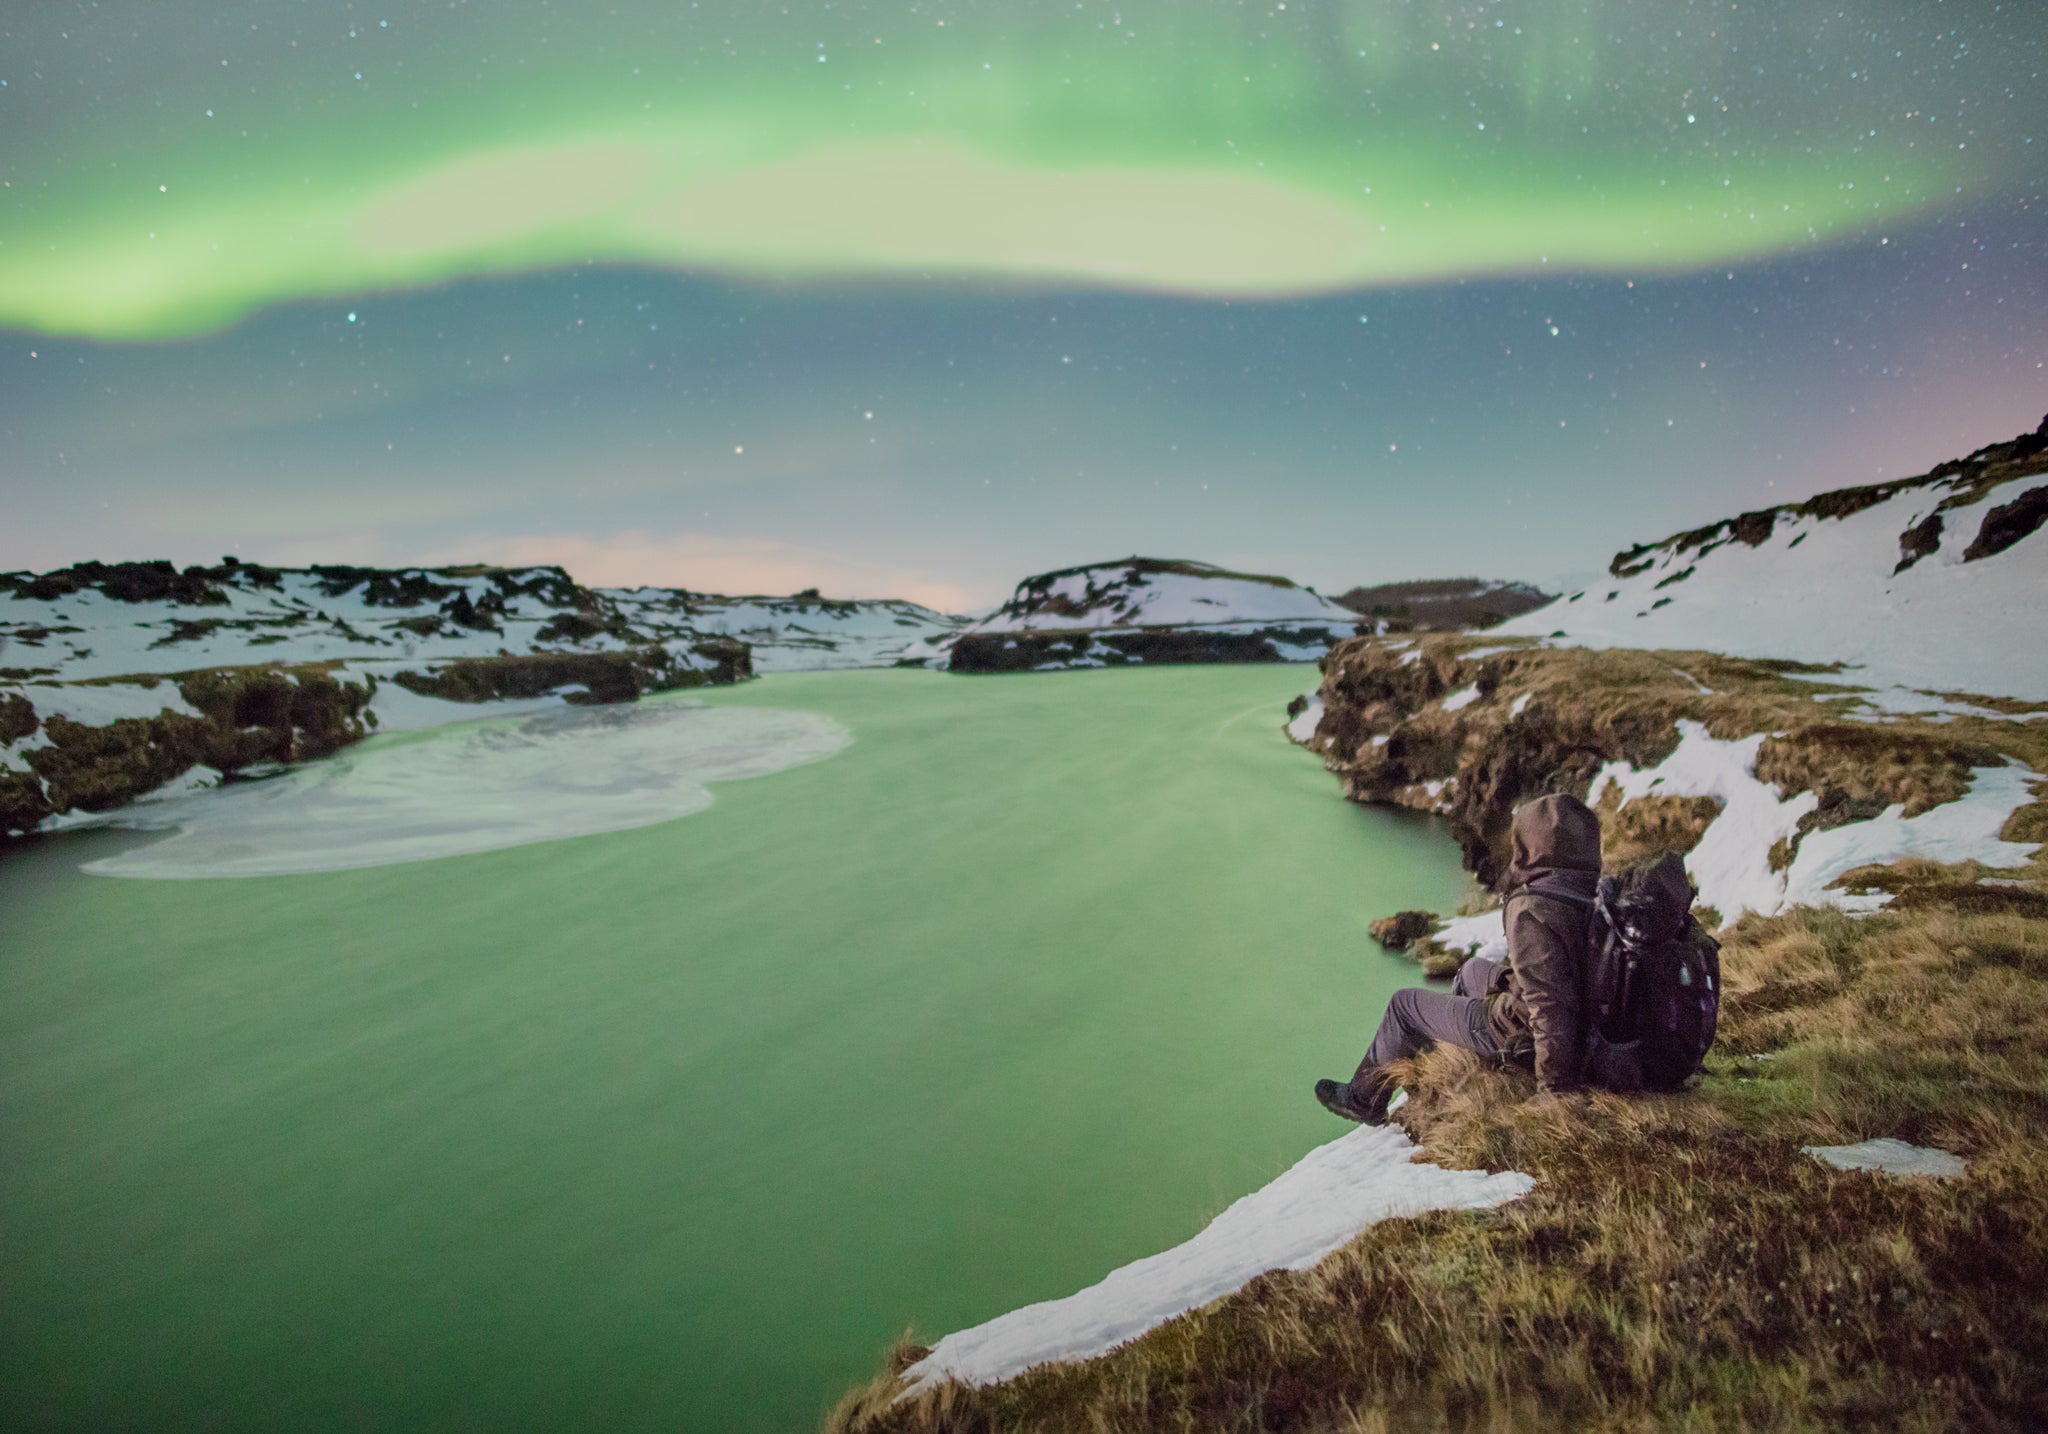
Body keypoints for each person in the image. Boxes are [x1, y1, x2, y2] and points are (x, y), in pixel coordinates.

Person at [1314, 792, 1603, 1124]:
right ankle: (1456, 1066)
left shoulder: (1536, 908)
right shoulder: (1590, 889)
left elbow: (1549, 1008)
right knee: (1471, 970)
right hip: (1577, 1019)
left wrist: (1555, 1092)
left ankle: (1363, 1099)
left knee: (1403, 1006)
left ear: (1533, 843)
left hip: (1519, 1034)